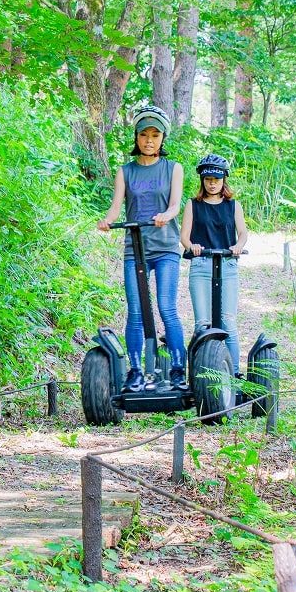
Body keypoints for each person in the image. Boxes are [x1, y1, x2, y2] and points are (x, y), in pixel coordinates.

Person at [97, 105, 187, 392]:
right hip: (134, 249)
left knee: (166, 307)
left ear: (163, 139)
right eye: (144, 134)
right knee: (135, 311)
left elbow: (175, 205)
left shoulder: (174, 168)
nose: (149, 140)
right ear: (136, 137)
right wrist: (107, 221)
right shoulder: (125, 171)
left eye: (155, 135)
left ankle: (177, 368)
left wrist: (166, 216)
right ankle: (135, 371)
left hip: (165, 248)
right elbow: (115, 207)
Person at [180, 153, 249, 377]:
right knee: (203, 324)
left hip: (227, 266)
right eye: (208, 179)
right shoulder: (193, 204)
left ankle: (234, 374)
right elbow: (184, 237)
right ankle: (199, 375)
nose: (212, 184)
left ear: (223, 180)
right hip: (201, 265)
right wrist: (193, 246)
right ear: (202, 180)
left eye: (216, 180)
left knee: (228, 321)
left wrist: (238, 246)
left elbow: (243, 233)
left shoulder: (233, 206)